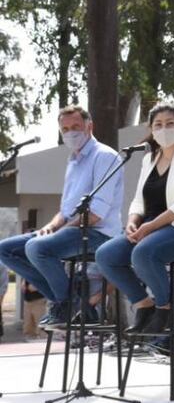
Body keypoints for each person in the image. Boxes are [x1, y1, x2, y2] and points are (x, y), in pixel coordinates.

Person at [96, 103, 174, 336]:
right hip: (150, 228)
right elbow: (139, 199)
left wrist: (149, 227)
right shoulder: (150, 158)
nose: (164, 129)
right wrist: (133, 220)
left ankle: (166, 308)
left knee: (143, 253)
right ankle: (145, 306)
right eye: (158, 125)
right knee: (106, 255)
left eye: (170, 124)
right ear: (151, 129)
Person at [0, 106, 124, 325]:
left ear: (89, 126)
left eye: (76, 127)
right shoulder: (73, 161)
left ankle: (64, 304)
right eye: (65, 129)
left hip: (99, 234)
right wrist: (49, 227)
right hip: (72, 231)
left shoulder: (104, 156)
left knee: (38, 248)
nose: (70, 133)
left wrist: (59, 232)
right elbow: (65, 211)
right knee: (6, 249)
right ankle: (70, 302)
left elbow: (96, 213)